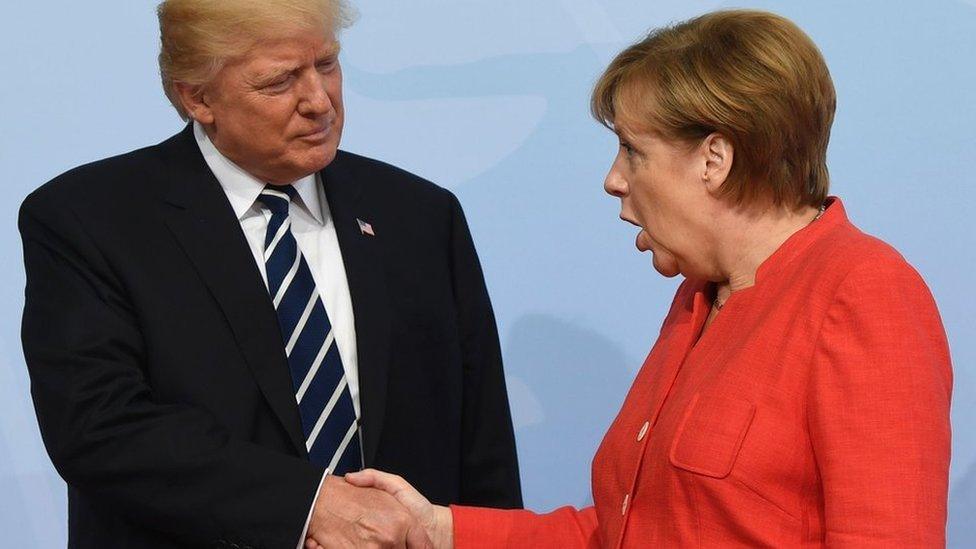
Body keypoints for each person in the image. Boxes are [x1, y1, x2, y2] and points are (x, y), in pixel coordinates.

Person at [346, 9, 953, 548]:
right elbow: (622, 533)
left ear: (714, 159)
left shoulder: (864, 291)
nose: (614, 178)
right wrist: (437, 529)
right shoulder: (698, 299)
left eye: (633, 151)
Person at [18, 0, 522, 547]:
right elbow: (100, 427)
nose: (319, 101)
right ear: (198, 97)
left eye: (326, 65)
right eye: (279, 81)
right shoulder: (89, 219)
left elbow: (481, 442)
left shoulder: (419, 214)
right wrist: (309, 507)